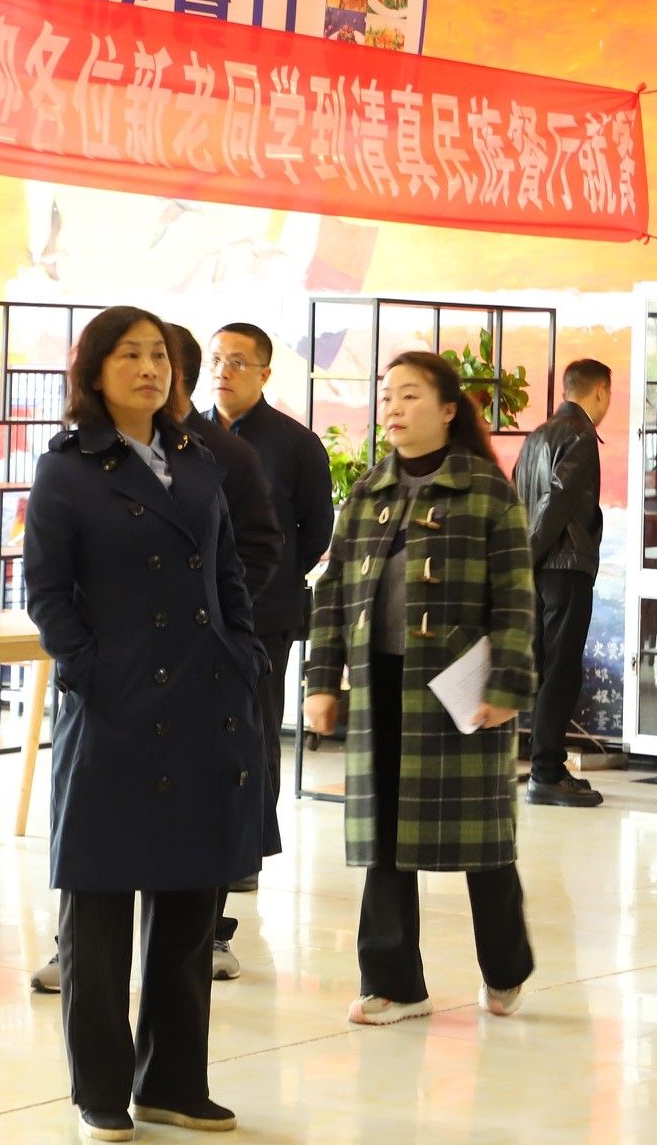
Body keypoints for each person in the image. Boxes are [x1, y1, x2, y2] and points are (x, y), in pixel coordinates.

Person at [23, 307, 279, 1142]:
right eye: (129, 354)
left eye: (159, 355)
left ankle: (173, 1082)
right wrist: (91, 672)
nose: (149, 368)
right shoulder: (66, 469)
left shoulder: (197, 459)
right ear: (94, 371)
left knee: (190, 905)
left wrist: (243, 652)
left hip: (204, 699)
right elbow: (46, 592)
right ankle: (101, 1089)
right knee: (97, 908)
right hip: (115, 706)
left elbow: (229, 570)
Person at [304, 351, 536, 1026]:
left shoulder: (488, 491)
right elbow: (332, 594)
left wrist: (508, 683)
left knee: (481, 841)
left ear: (448, 409)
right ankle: (395, 983)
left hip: (460, 691)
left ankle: (506, 967)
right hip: (380, 685)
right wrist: (322, 681)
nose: (394, 408)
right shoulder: (369, 492)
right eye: (387, 397)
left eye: (409, 395)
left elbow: (517, 598)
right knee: (383, 836)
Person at [206, 322, 333, 814]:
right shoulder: (185, 437)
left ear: (264, 374)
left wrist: (273, 576)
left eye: (237, 362)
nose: (223, 371)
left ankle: (252, 840)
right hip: (196, 611)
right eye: (216, 360)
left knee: (255, 728)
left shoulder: (296, 444)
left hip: (264, 611)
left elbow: (316, 530)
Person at [513, 358, 612, 808]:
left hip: (537, 569)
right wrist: (532, 552)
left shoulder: (536, 436)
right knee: (561, 670)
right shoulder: (581, 435)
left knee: (545, 667)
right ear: (600, 391)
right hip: (564, 565)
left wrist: (521, 559)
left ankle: (545, 765)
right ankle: (547, 774)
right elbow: (557, 500)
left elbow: (520, 497)